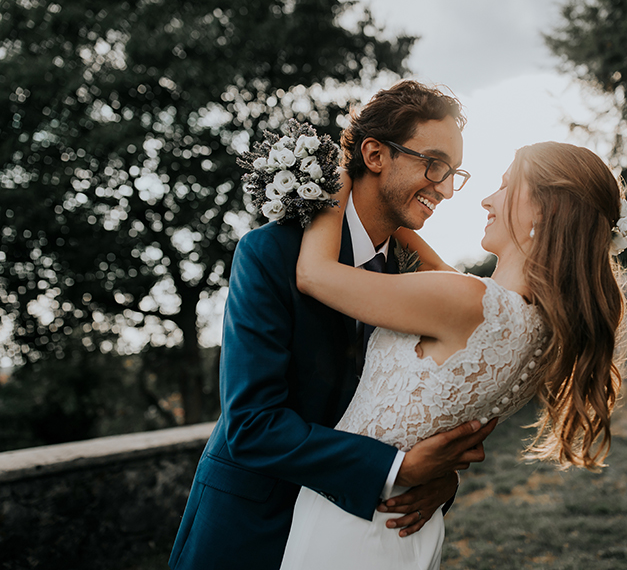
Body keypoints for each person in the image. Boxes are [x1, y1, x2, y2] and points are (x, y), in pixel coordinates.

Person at [168, 81, 496, 570]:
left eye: (454, 173)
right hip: (251, 531)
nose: (445, 189)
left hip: (353, 538)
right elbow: (252, 425)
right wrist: (396, 470)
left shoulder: (417, 278)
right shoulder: (270, 254)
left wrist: (438, 476)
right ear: (375, 154)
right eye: (433, 164)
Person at [280, 140, 627, 569]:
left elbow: (313, 274)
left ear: (544, 211)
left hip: (350, 525)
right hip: (404, 525)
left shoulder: (467, 303)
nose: (487, 199)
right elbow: (434, 265)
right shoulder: (540, 328)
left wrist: (336, 178)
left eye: (505, 187)